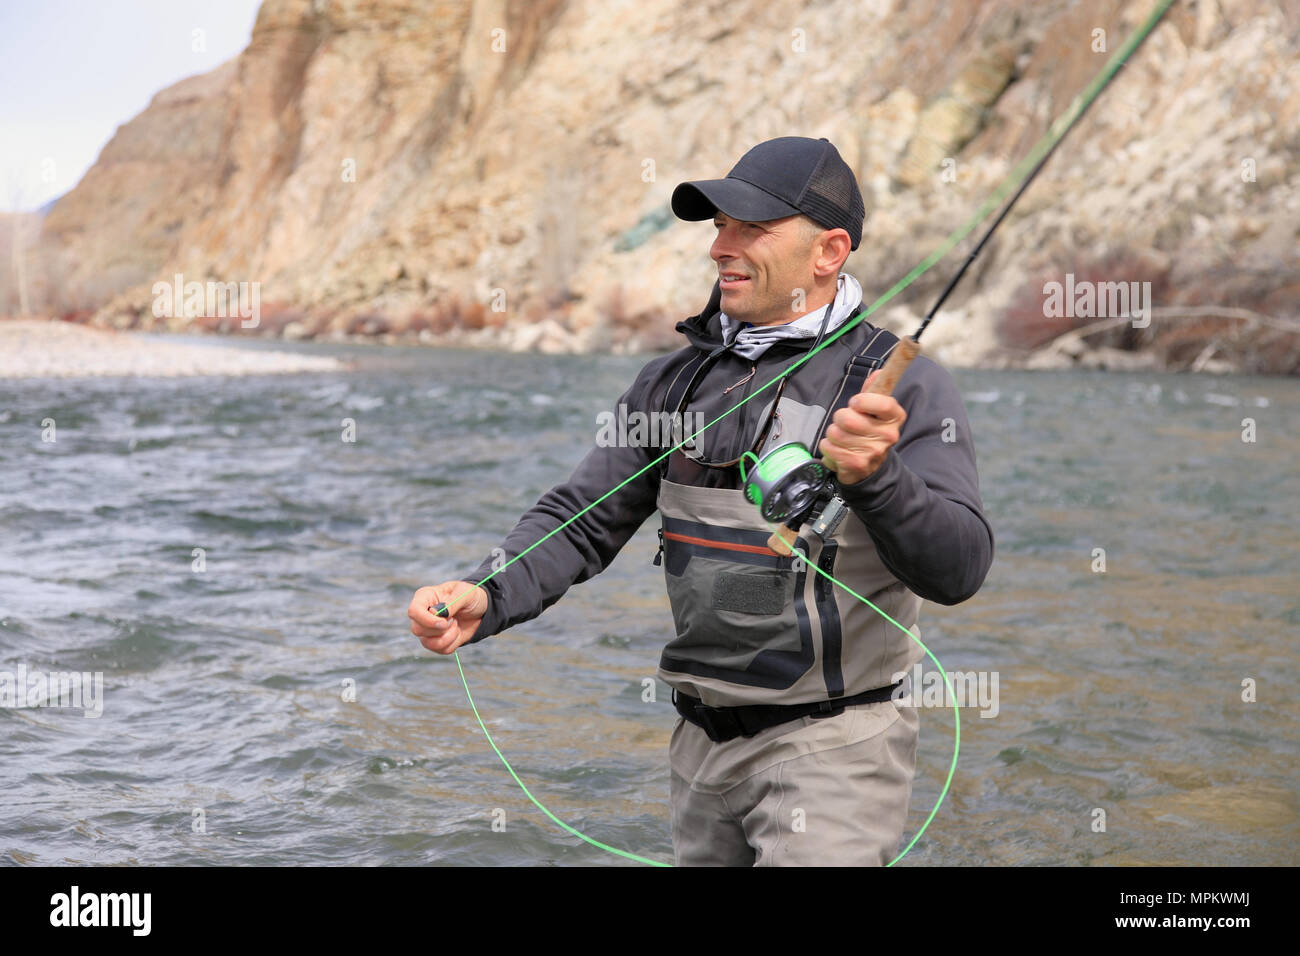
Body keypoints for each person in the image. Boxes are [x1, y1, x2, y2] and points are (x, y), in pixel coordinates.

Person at [408, 136, 994, 866]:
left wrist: (878, 478)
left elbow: (960, 569)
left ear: (829, 251)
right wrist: (487, 592)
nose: (722, 245)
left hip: (835, 748)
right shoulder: (671, 382)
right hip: (698, 750)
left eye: (751, 227)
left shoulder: (906, 385)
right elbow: (583, 518)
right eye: (719, 225)